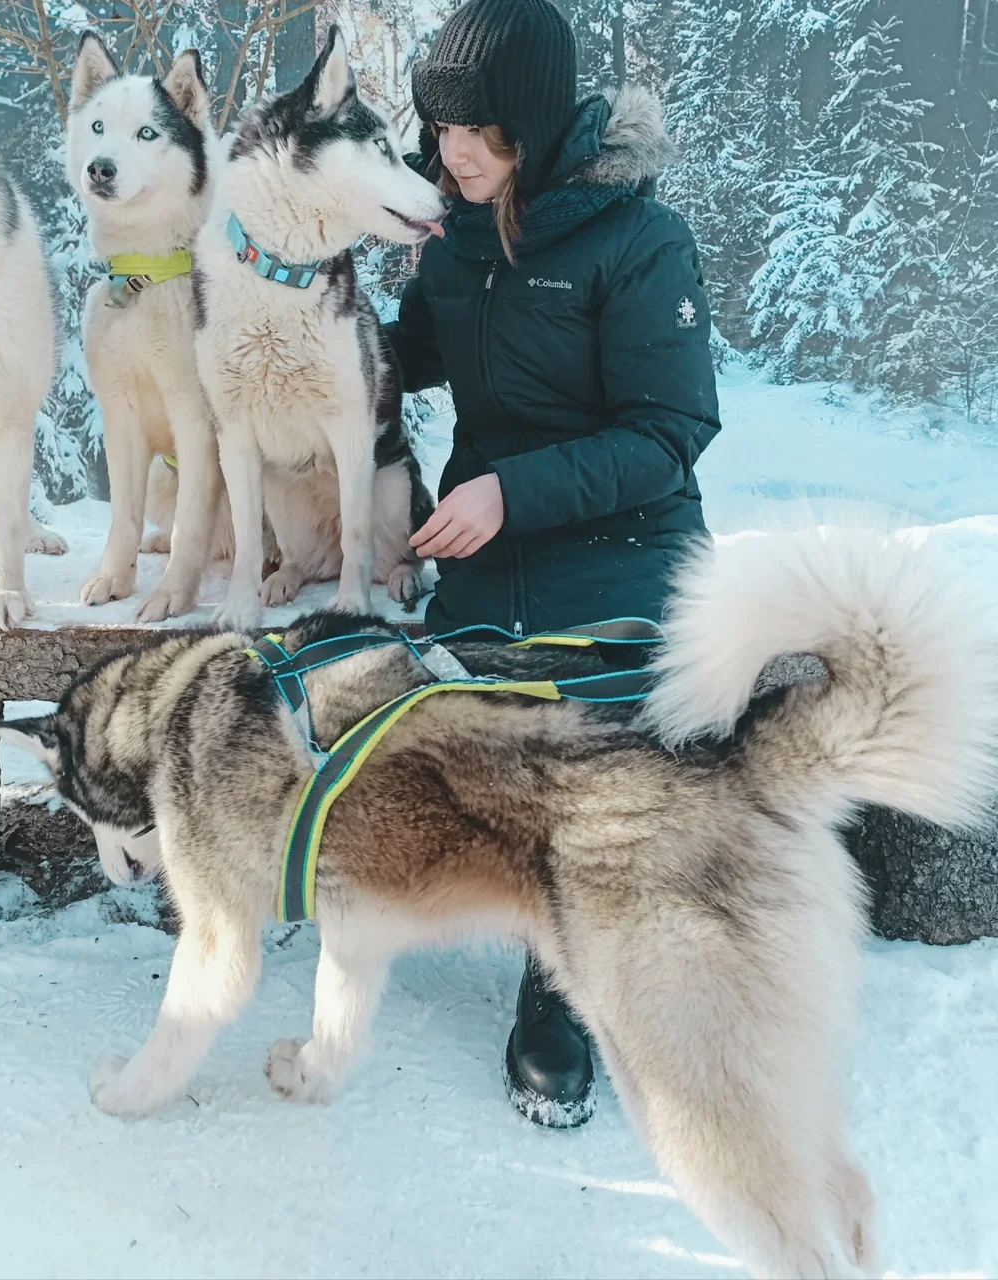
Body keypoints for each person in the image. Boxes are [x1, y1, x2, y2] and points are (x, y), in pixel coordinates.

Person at [384, 0, 722, 1128]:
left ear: (531, 127)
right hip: (489, 543)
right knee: (465, 727)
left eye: (474, 134)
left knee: (593, 748)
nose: (450, 153)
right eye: (437, 131)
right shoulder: (450, 226)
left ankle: (558, 983)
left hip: (622, 540)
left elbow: (665, 430)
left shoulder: (637, 237)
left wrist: (506, 491)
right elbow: (395, 360)